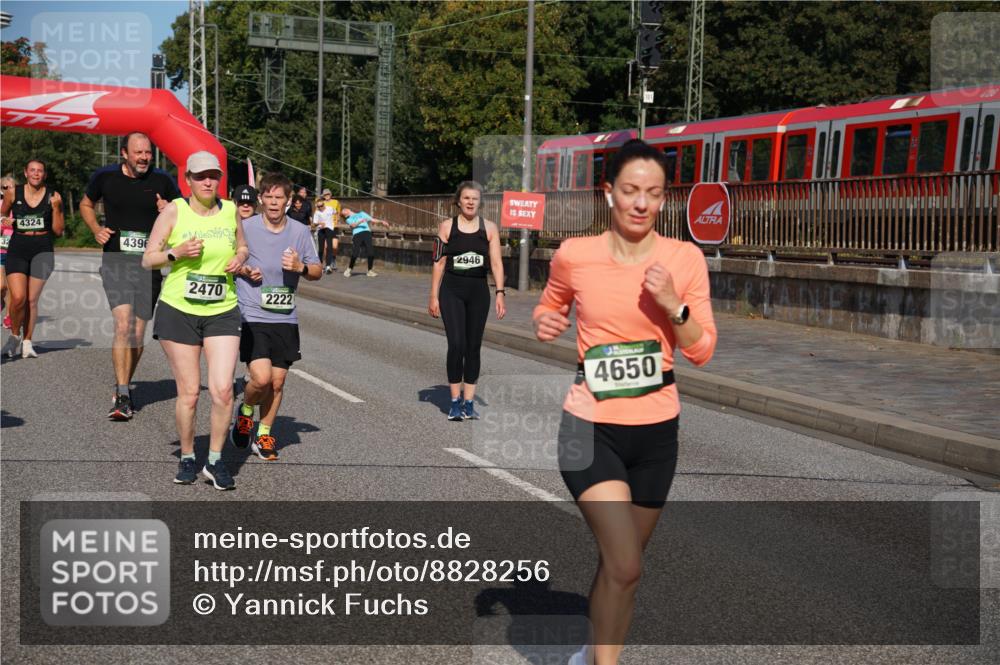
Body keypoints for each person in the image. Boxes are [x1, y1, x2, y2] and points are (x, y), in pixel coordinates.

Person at [532, 139, 716, 665]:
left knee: (621, 567)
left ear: (664, 200)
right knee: (627, 565)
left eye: (653, 194)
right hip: (591, 427)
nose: (641, 203)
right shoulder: (576, 254)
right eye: (631, 191)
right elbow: (551, 308)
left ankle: (593, 656)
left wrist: (672, 305)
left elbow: (702, 350)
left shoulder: (684, 259)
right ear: (607, 191)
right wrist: (545, 323)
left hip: (657, 433)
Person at [142, 151, 248, 491]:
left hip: (222, 309)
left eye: (213, 176)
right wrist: (176, 253)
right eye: (200, 176)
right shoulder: (175, 210)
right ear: (188, 179)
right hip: (179, 310)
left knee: (222, 390)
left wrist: (239, 258)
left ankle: (215, 461)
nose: (207, 182)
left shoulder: (231, 210)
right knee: (189, 393)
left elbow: (243, 246)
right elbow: (149, 259)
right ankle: (188, 456)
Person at [80, 131, 180, 420]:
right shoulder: (105, 177)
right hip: (116, 262)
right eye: (139, 153)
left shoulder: (163, 180)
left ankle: (123, 384)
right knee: (123, 324)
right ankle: (123, 393)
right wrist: (95, 229)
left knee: (137, 331)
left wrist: (169, 210)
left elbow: (184, 214)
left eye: (148, 152)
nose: (145, 157)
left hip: (148, 266)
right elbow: (86, 203)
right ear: (124, 153)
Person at [230, 172, 321, 461]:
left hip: (285, 316)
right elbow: (228, 262)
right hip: (252, 312)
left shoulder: (299, 231)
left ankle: (264, 434)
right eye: (267, 196)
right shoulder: (245, 227)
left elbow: (317, 271)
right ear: (260, 199)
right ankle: (246, 409)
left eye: (278, 197)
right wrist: (244, 271)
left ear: (288, 200)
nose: (272, 202)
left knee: (278, 382)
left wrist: (300, 267)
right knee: (261, 377)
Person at [428, 180, 506, 420]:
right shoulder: (446, 227)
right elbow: (438, 262)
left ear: (479, 202)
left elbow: (496, 263)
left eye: (475, 198)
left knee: (473, 347)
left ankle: (469, 402)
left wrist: (500, 293)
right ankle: (453, 403)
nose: (471, 202)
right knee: (457, 344)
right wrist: (433, 295)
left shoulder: (490, 228)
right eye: (466, 198)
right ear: (458, 201)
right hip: (452, 290)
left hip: (478, 292)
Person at [1, 159, 64, 359]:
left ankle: (27, 341)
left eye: (40, 171)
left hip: (42, 248)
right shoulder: (13, 192)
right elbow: (2, 213)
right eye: (32, 170)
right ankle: (13, 337)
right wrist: (5, 219)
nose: (36, 174)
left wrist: (56, 208)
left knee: (31, 300)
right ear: (26, 173)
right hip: (18, 246)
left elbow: (58, 230)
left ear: (44, 175)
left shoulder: (54, 195)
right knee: (18, 297)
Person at [341, 206, 390, 277]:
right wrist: (360, 221)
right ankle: (349, 269)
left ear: (349, 209)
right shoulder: (348, 219)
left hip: (367, 232)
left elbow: (372, 220)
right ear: (346, 215)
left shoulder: (362, 213)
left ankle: (369, 271)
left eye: (344, 209)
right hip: (357, 234)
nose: (344, 210)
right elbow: (353, 225)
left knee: (371, 252)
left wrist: (382, 222)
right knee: (355, 252)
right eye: (343, 212)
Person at [313, 189, 339, 274]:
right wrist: (320, 223)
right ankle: (320, 265)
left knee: (330, 248)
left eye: (321, 206)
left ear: (324, 204)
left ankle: (328, 266)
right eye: (319, 206)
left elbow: (336, 212)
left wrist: (335, 222)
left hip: (329, 229)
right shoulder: (317, 212)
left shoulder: (330, 208)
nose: (320, 208)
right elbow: (314, 223)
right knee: (321, 249)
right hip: (321, 230)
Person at [1, 175, 14, 330]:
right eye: (5, 187)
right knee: (1, 286)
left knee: (13, 289)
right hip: (1, 249)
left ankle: (10, 316)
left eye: (11, 187)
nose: (9, 190)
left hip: (16, 249)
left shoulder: (18, 205)